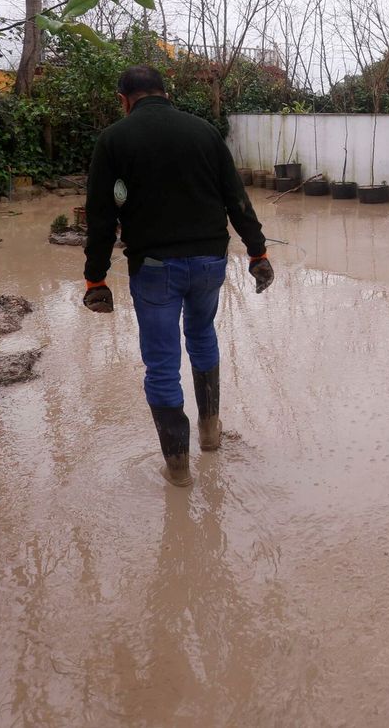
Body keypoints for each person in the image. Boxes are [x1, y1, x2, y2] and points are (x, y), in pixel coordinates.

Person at [80, 65, 275, 487]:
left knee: (162, 364)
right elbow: (236, 199)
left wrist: (96, 278)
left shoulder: (114, 139)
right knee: (202, 336)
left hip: (154, 268)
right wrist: (257, 252)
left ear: (124, 100)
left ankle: (179, 469)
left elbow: (101, 216)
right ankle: (210, 433)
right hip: (209, 262)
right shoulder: (205, 132)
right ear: (166, 93)